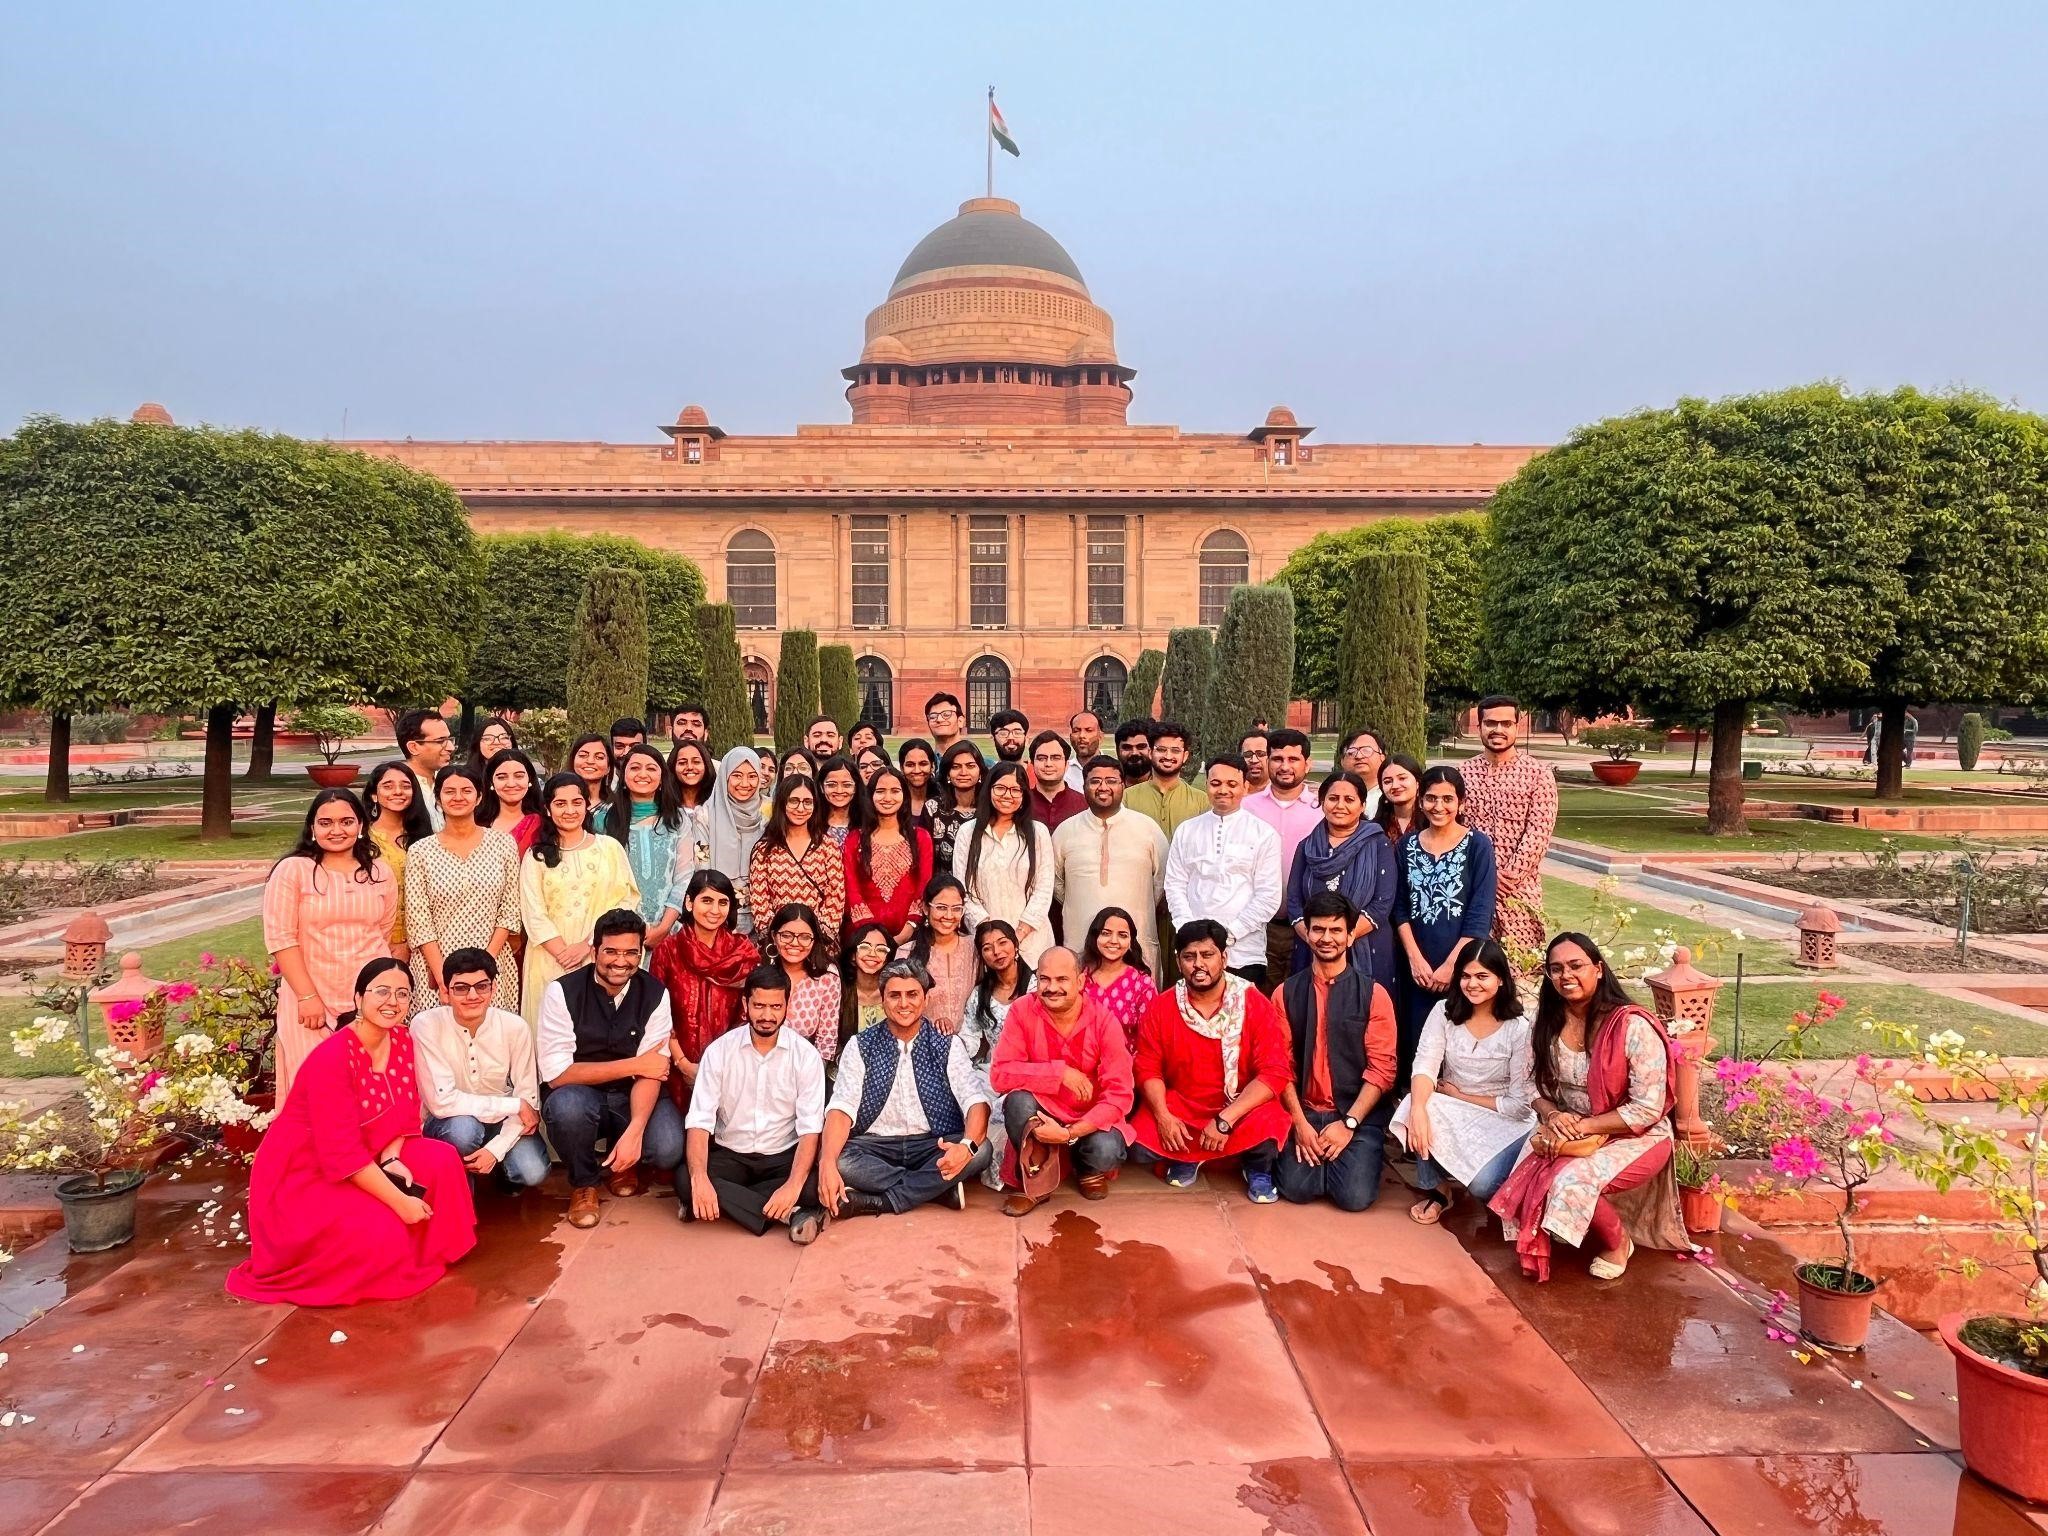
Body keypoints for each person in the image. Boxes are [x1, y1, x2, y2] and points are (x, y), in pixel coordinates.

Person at [227, 957, 476, 1305]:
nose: (393, 1001)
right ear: (358, 998)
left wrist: (391, 1159)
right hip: (306, 1170)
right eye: (382, 991)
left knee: (441, 1159)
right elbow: (341, 1154)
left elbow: (405, 1108)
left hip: (372, 1148)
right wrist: (401, 1202)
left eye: (402, 994)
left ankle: (433, 1252)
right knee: (382, 1229)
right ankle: (396, 1249)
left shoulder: (403, 1040)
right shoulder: (332, 1057)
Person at [1490, 933, 1689, 1281]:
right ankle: (1565, 1227)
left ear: (1598, 969)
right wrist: (1552, 1115)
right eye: (1556, 969)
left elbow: (1647, 1108)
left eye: (1576, 965)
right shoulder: (1546, 1022)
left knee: (1570, 1180)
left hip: (1635, 1133)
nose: (1566, 975)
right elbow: (1526, 1084)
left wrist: (1584, 1127)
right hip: (1569, 1125)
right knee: (1529, 1168)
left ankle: (1618, 1242)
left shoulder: (1631, 1025)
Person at [538, 909, 687, 1228]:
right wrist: (635, 1064)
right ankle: (584, 1183)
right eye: (611, 952)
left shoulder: (656, 994)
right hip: (581, 1096)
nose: (621, 961)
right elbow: (558, 1074)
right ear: (594, 951)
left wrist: (635, 1131)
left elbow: (654, 1071)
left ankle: (623, 1163)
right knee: (567, 1108)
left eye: (631, 952)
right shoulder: (562, 992)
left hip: (632, 1094)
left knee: (668, 1147)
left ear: (641, 953)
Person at [1128, 920, 1293, 1202]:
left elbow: (1274, 1072)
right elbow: (1147, 1067)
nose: (1198, 965)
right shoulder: (1163, 1006)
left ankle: (1255, 1167)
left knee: (1268, 1122)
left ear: (1224, 958)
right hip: (1184, 1108)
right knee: (1138, 1144)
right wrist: (1164, 1116)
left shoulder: (1252, 1001)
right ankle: (1191, 1154)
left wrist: (1225, 1120)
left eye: (1207, 955)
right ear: (1179, 962)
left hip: (1239, 1110)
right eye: (1189, 957)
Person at [818, 959, 995, 1215]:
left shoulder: (947, 1044)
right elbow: (841, 1109)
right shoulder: (860, 1046)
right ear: (883, 1001)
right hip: (876, 1146)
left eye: (912, 995)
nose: (903, 1004)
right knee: (839, 1159)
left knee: (980, 1150)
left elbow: (975, 1101)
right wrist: (826, 1162)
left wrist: (965, 1147)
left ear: (925, 999)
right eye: (894, 996)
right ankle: (937, 1190)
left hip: (934, 1144)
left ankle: (880, 1202)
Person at [264, 788, 398, 1105]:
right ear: (312, 828)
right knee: (314, 1089)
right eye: (326, 822)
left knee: (368, 1088)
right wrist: (307, 997)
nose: (336, 830)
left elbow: (383, 932)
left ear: (361, 825)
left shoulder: (379, 872)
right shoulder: (293, 871)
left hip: (369, 1002)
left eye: (346, 821)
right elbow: (281, 938)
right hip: (311, 999)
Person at [680, 965, 830, 1244]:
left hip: (782, 1155)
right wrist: (699, 1177)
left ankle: (730, 1204)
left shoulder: (805, 1056)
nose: (767, 1016)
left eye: (775, 1006)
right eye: (759, 1005)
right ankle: (789, 1213)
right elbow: (700, 1120)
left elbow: (810, 1128)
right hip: (731, 1153)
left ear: (787, 1005)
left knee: (812, 1184)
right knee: (687, 1179)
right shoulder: (720, 1051)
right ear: (745, 1003)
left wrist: (793, 1184)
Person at [1392, 937, 1536, 1224]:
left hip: (1503, 1120)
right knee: (1415, 1104)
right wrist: (1419, 1109)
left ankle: (1509, 1186)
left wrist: (1460, 1096)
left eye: (1483, 976)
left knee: (1483, 1186)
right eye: (1466, 976)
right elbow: (1425, 1064)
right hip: (1454, 1111)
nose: (1473, 984)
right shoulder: (1444, 1013)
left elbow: (1521, 1106)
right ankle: (1440, 1191)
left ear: (1501, 981)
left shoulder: (1519, 1028)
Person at [1272, 892, 1398, 1211]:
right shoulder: (1285, 993)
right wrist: (1299, 1123)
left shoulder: (1374, 995)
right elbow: (1279, 1066)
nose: (1326, 938)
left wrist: (1349, 1124)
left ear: (1350, 934)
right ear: (1307, 933)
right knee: (1296, 1189)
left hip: (1355, 1114)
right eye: (1318, 929)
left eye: (1336, 930)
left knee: (1353, 1198)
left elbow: (1382, 1071)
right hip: (1305, 1111)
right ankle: (1319, 1164)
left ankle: (1357, 1156)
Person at [988, 947, 1133, 1214]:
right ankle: (1035, 1180)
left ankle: (1085, 1167)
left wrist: (1068, 1134)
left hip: (1087, 1118)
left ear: (1080, 981)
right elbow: (1000, 1075)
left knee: (1107, 1149)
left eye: (1061, 979)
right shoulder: (1022, 1010)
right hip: (1041, 1114)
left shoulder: (1103, 1020)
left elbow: (1120, 1095)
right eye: (1045, 979)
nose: (1052, 988)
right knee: (1017, 1102)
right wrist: (1060, 1073)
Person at [1394, 766, 1499, 1081]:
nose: (1439, 806)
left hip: (1462, 965)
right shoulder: (1407, 846)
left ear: (1461, 803)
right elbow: (1399, 907)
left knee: (1456, 1042)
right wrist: (1415, 959)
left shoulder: (1477, 846)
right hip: (1415, 966)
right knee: (1415, 1039)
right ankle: (1413, 1110)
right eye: (1431, 798)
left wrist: (1452, 965)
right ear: (1421, 803)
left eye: (1447, 799)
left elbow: (1480, 912)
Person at [413, 948, 548, 1190]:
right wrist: (514, 1105)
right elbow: (441, 1102)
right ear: (445, 991)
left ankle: (493, 1168)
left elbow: (528, 1099)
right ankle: (461, 1189)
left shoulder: (514, 1027)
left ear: (493, 988)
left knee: (531, 1171)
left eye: (481, 986)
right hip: (450, 1122)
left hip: (503, 1122)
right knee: (463, 1131)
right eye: (461, 988)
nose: (472, 995)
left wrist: (495, 1150)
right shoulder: (426, 1025)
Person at [519, 772, 640, 1030]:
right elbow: (533, 912)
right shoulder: (536, 856)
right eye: (560, 804)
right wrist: (564, 953)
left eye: (577, 802)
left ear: (587, 805)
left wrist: (587, 945)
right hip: (549, 959)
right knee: (552, 1033)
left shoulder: (609, 848)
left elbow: (626, 901)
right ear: (548, 810)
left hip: (600, 955)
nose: (570, 810)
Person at [405, 764, 522, 1014]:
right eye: (449, 792)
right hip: (436, 965)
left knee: (492, 1042)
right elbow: (419, 920)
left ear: (479, 797)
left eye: (466, 790)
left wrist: (485, 967)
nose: (458, 797)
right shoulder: (421, 851)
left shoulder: (503, 844)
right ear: (438, 799)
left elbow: (510, 910)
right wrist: (443, 976)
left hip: (493, 961)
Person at [1164, 754, 1283, 987]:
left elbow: (1268, 897)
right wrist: (1190, 932)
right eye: (1215, 783)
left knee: (1243, 1020)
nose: (1223, 790)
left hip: (1245, 952)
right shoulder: (1187, 831)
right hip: (1194, 951)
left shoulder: (1263, 833)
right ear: (1206, 785)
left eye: (1232, 784)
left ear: (1246, 787)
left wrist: (1228, 935)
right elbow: (1175, 885)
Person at [650, 869, 761, 1114]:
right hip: (675, 1068)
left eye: (723, 902)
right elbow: (657, 1017)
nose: (714, 910)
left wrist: (717, 1065)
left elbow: (747, 1017)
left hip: (730, 1067)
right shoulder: (668, 951)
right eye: (706, 900)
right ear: (689, 902)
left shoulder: (742, 953)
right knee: (668, 1148)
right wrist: (684, 1064)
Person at [1053, 754, 1169, 978]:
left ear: (1123, 785)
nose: (1103, 787)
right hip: (1081, 946)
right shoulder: (1066, 831)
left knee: (1142, 1010)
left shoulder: (1147, 828)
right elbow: (1058, 885)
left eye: (1111, 781)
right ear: (1084, 785)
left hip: (1137, 946)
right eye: (1095, 781)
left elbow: (1161, 882)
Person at [1461, 695, 1559, 959]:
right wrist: (1484, 878)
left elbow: (1538, 833)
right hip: (1472, 889)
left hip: (1519, 892)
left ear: (1518, 726)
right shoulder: (1463, 774)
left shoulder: (1538, 774)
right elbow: (1456, 830)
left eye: (1506, 723)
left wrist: (1506, 877)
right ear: (1480, 726)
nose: (1498, 730)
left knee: (1521, 972)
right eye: (1490, 723)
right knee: (1474, 967)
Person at [1286, 769, 1396, 981]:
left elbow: (1383, 903)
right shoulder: (1307, 847)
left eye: (1349, 799)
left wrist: (1341, 938)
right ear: (1322, 801)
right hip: (1312, 948)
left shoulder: (1378, 844)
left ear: (1362, 805)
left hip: (1367, 945)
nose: (1340, 806)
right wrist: (1317, 939)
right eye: (1333, 798)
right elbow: (1294, 901)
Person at [955, 762, 1055, 965]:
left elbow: (1044, 888)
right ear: (989, 789)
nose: (1007, 795)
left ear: (1024, 795)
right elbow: (963, 890)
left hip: (1033, 942)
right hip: (986, 944)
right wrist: (992, 938)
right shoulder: (968, 832)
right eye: (1000, 788)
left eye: (1015, 790)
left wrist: (1016, 936)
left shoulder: (1037, 832)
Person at [960, 918, 1032, 1189]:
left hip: (1031, 1071)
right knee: (974, 1098)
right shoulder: (981, 995)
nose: (997, 952)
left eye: (1003, 943)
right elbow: (968, 1039)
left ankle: (1023, 1170)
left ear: (1015, 945)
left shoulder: (1036, 986)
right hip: (995, 1071)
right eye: (988, 948)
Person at [1246, 728, 1321, 981]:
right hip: (1257, 927)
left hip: (1307, 927)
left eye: (1293, 759)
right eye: (1277, 759)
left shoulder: (1322, 811)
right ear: (1267, 762)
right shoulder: (1247, 809)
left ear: (1307, 764)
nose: (1284, 766)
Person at [748, 773, 847, 949]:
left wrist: (813, 938)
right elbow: (760, 901)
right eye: (793, 801)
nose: (800, 808)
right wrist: (781, 938)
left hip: (819, 944)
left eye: (807, 802)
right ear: (782, 803)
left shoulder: (828, 846)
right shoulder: (764, 849)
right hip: (778, 943)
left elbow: (835, 897)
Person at [606, 743, 690, 949]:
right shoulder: (605, 820)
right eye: (634, 768)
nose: (642, 774)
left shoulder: (678, 820)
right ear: (623, 776)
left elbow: (684, 877)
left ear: (662, 779)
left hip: (670, 932)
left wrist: (662, 928)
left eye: (651, 768)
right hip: (618, 934)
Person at [843, 765, 933, 949]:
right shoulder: (855, 839)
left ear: (904, 795)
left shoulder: (920, 838)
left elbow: (924, 884)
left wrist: (909, 928)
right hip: (863, 938)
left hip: (910, 936)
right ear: (871, 796)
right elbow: (851, 887)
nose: (887, 798)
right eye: (880, 791)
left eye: (895, 791)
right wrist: (870, 935)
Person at [364, 760, 430, 967]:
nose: (398, 791)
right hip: (372, 941)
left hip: (421, 943)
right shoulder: (361, 840)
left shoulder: (425, 838)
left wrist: (409, 944)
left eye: (405, 786)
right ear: (374, 794)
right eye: (388, 786)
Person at [764, 902, 843, 1064]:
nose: (794, 943)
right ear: (774, 936)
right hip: (758, 1062)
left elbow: (826, 1039)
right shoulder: (759, 970)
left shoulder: (827, 977)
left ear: (814, 940)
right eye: (786, 935)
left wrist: (813, 1079)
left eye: (805, 937)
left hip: (805, 1065)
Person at [1078, 905, 1158, 1052]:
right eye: (1106, 933)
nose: (1114, 941)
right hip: (1080, 1068)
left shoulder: (1142, 984)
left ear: (1130, 942)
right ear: (1095, 937)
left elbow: (1150, 1040)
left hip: (1127, 1069)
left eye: (1122, 935)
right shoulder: (1079, 978)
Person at [708, 745, 769, 932]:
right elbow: (701, 865)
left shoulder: (771, 811)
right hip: (718, 912)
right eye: (736, 775)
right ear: (725, 776)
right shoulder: (706, 814)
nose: (745, 783)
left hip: (764, 911)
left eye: (752, 776)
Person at [907, 874, 974, 1033]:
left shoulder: (975, 948)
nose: (949, 916)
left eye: (956, 909)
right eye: (942, 908)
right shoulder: (907, 953)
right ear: (925, 908)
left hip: (970, 1046)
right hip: (925, 1046)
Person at [1124, 720, 1206, 838]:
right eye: (1161, 749)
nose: (1168, 756)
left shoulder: (1201, 802)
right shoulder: (1127, 798)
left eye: (1175, 751)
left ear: (1185, 756)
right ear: (1150, 752)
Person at [395, 709, 455, 831]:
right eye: (440, 741)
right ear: (414, 747)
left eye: (449, 739)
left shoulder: (450, 781)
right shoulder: (396, 790)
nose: (451, 747)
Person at [931, 741, 985, 872]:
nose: (963, 772)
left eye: (970, 766)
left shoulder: (990, 808)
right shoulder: (933, 808)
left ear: (980, 772)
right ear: (948, 774)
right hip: (942, 886)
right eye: (956, 767)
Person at [479, 748, 544, 855]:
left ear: (530, 779)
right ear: (491, 782)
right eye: (502, 777)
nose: (511, 784)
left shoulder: (543, 825)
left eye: (519, 776)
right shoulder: (476, 824)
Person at [839, 919, 894, 1039]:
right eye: (864, 947)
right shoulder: (838, 991)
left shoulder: (894, 993)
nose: (872, 954)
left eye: (881, 949)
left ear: (887, 959)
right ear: (852, 955)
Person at [669, 738, 717, 877]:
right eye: (682, 763)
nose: (689, 767)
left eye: (696, 762)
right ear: (673, 767)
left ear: (706, 765)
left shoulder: (716, 805)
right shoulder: (665, 807)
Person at [1027, 731, 1087, 830]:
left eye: (1056, 758)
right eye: (1042, 758)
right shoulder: (1020, 804)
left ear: (1066, 765)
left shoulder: (1084, 805)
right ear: (1032, 764)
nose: (1048, 764)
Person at [816, 755, 863, 851]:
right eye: (831, 785)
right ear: (821, 787)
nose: (839, 790)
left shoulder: (866, 825)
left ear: (856, 787)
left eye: (847, 785)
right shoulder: (811, 824)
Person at [1374, 754, 1423, 844]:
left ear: (1417, 783)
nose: (1395, 786)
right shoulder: (1375, 829)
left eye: (1402, 778)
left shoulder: (1431, 822)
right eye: (1388, 781)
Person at [1339, 729, 1387, 815]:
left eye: (1366, 750)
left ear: (1382, 758)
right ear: (1342, 761)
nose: (1359, 756)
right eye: (1351, 752)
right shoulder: (1333, 796)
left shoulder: (1391, 795)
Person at [898, 738, 940, 830]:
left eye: (923, 764)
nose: (917, 770)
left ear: (932, 766)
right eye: (910, 765)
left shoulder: (943, 800)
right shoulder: (895, 800)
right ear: (901, 768)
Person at [568, 734, 615, 814]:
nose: (590, 761)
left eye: (599, 757)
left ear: (608, 768)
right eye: (583, 755)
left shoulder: (617, 807)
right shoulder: (556, 802)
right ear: (573, 761)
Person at [1062, 711, 1105, 793]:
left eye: (1089, 730)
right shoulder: (1062, 772)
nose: (1081, 736)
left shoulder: (1115, 770)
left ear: (1101, 736)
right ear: (1070, 737)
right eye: (1076, 731)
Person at [924, 691, 968, 756]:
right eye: (933, 716)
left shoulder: (981, 764)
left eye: (946, 714)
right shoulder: (924, 764)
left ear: (960, 721)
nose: (939, 719)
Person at [1113, 718, 1154, 786]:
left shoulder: (1165, 783)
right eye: (1127, 747)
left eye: (1141, 746)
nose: (1134, 753)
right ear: (1117, 750)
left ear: (1151, 749)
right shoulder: (1109, 786)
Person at [1238, 728, 1271, 794]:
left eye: (1260, 754)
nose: (1254, 760)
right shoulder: (1231, 794)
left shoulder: (1282, 793)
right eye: (1248, 754)